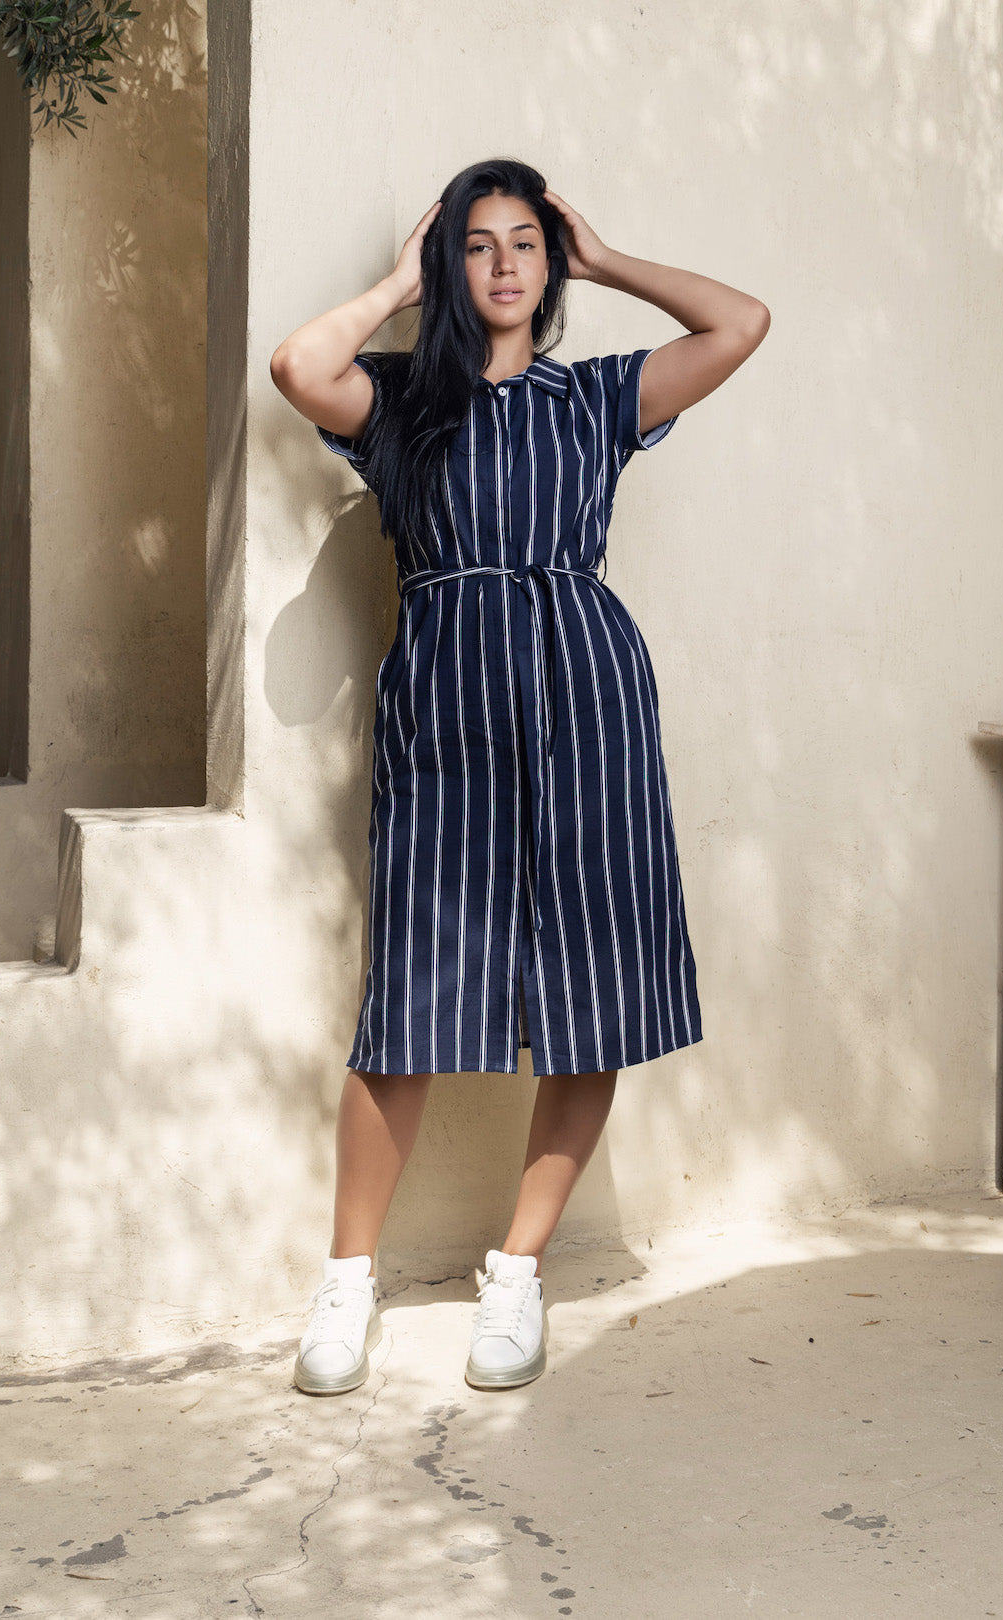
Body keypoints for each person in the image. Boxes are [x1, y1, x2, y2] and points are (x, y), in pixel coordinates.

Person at [270, 157, 769, 1395]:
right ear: (452, 267)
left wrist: (607, 258)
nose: (503, 264)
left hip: (590, 703)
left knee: (590, 992)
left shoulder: (599, 397)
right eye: (477, 245)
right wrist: (394, 281)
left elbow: (741, 323)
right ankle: (346, 1287)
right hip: (446, 713)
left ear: (552, 265)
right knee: (411, 1009)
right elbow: (295, 369)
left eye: (527, 245)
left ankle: (518, 1276)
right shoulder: (397, 403)